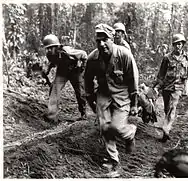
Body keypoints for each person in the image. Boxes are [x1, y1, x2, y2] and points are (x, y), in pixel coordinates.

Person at [84, 23, 139, 177]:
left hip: (122, 95)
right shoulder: (93, 58)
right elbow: (87, 80)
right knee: (105, 127)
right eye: (98, 41)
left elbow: (133, 81)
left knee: (116, 127)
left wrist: (134, 104)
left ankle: (130, 134)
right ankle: (114, 162)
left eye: (105, 40)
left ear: (112, 39)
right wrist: (90, 99)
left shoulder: (124, 55)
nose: (101, 44)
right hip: (103, 94)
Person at [154, 33, 188, 142]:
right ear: (173, 45)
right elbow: (161, 74)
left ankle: (166, 129)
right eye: (176, 44)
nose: (178, 46)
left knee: (173, 107)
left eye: (180, 44)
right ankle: (166, 130)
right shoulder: (167, 57)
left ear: (183, 45)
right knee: (167, 108)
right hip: (167, 86)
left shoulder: (187, 57)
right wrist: (157, 86)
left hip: (178, 87)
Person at [42, 34, 87, 123]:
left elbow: (84, 54)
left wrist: (83, 68)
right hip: (62, 72)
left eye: (51, 48)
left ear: (57, 46)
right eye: (48, 48)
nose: (49, 50)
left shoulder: (67, 51)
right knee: (54, 90)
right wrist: (47, 71)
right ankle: (52, 116)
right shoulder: (49, 54)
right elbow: (52, 62)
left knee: (80, 92)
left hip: (75, 71)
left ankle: (83, 114)